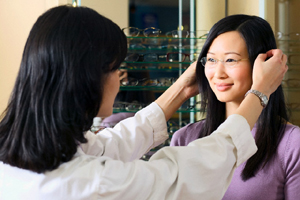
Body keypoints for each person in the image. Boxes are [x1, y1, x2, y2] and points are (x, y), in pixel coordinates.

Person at [0, 6, 287, 200]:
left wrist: (178, 90)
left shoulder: (21, 155)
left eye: (231, 60)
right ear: (87, 79)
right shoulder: (91, 183)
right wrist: (260, 93)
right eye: (115, 69)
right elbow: (186, 174)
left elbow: (109, 145)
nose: (121, 79)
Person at [170, 14, 299, 200]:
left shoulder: (292, 145)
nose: (218, 73)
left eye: (231, 60)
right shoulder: (184, 138)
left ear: (264, 65)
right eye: (211, 60)